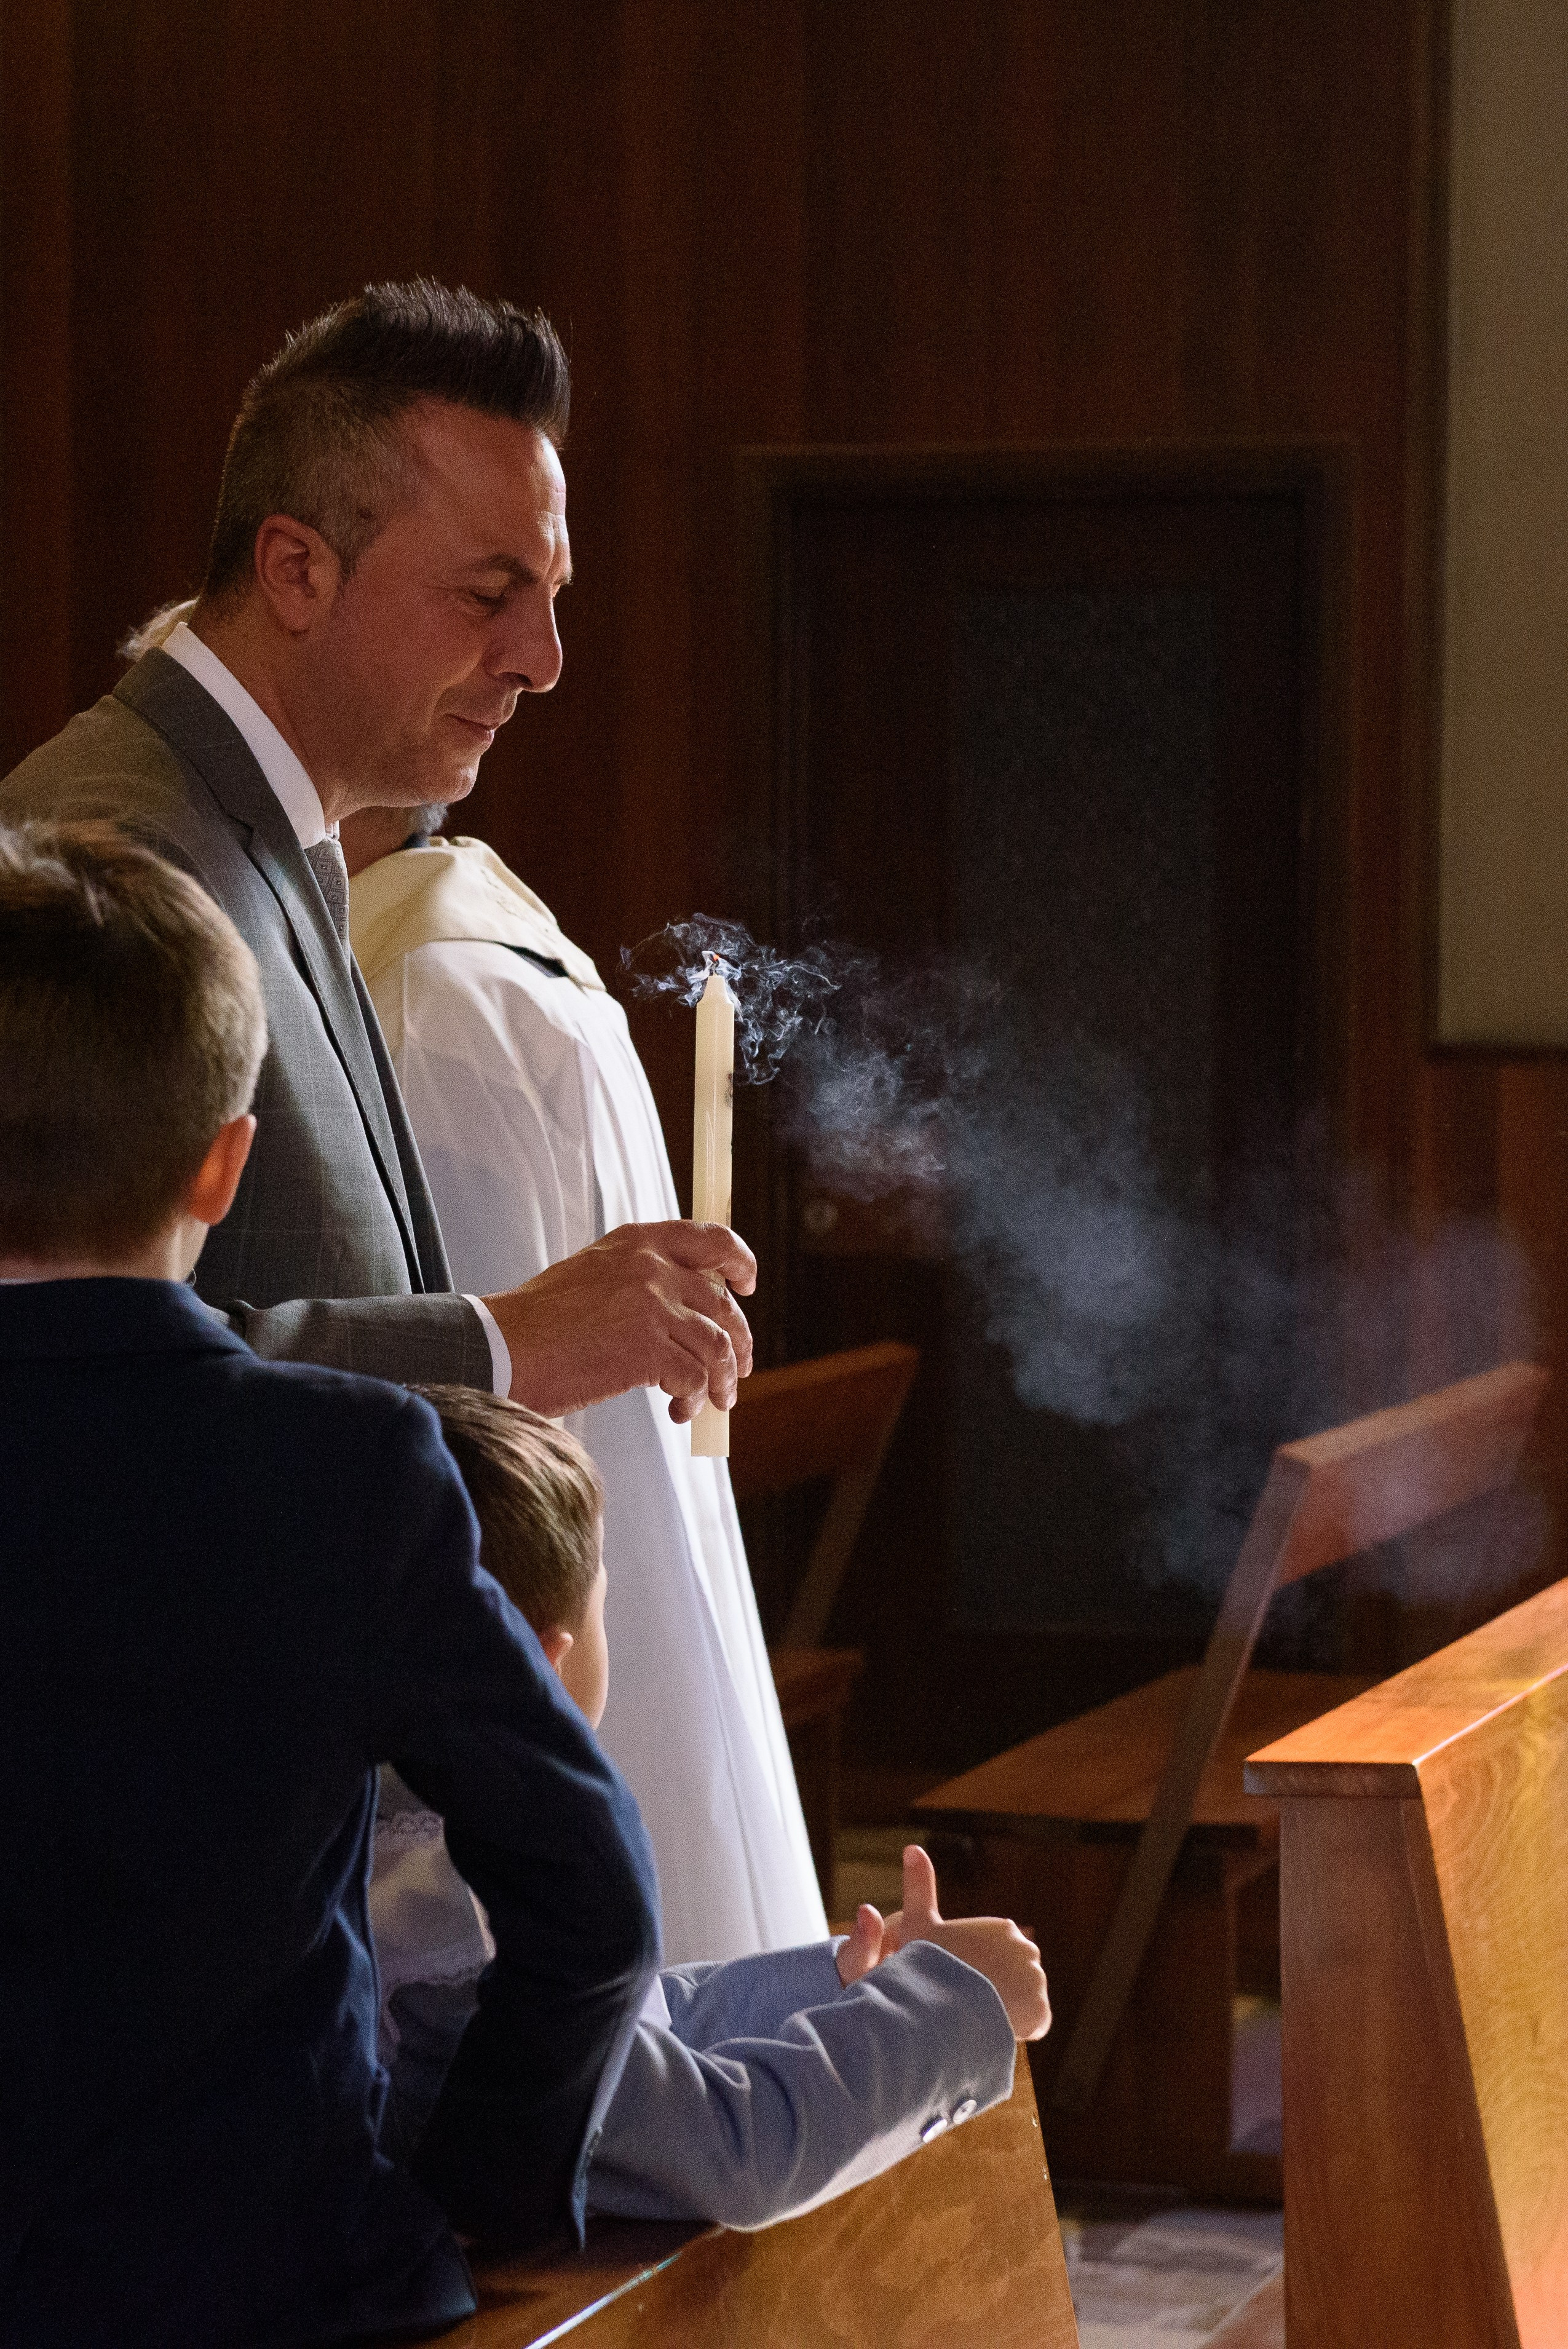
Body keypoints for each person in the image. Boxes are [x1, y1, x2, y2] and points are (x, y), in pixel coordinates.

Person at [0, 820, 660, 2347]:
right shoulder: (349, 1466)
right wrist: (484, 2184)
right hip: (267, 2279)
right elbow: (588, 1887)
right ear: (225, 1162)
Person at [0, 279, 753, 1420]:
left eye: (549, 597)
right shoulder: (115, 851)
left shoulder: (256, 817)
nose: (540, 659)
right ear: (297, 570)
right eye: (489, 594)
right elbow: (74, 1366)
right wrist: (504, 1346)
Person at [371, 1383, 1050, 2231]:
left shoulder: (394, 1831)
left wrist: (837, 1976)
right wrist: (958, 1998)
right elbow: (737, 2147)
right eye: (606, 1603)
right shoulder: (434, 1915)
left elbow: (629, 2033)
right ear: (543, 1665)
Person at [341, 807, 825, 1960]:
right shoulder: (483, 949)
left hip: (552, 1595)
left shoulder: (421, 998)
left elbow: (466, 1414)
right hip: (614, 1555)